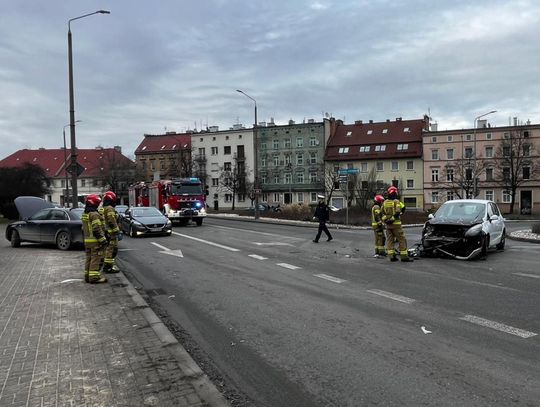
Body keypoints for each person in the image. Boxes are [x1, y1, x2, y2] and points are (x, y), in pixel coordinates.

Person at [81, 194, 108, 283]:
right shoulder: (94, 214)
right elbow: (96, 229)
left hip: (87, 241)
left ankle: (87, 276)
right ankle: (94, 277)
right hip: (95, 242)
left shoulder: (85, 214)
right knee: (95, 258)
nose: (98, 205)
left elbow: (83, 228)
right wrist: (103, 240)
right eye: (98, 203)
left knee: (89, 258)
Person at [382, 186, 412, 262]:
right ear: (395, 193)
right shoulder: (396, 201)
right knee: (401, 239)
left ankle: (392, 256)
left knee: (390, 240)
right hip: (396, 224)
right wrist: (393, 219)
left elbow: (382, 213)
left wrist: (386, 220)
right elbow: (398, 211)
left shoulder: (385, 202)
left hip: (388, 225)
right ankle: (404, 256)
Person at [102, 190, 121, 273]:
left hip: (107, 232)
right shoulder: (109, 208)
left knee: (110, 250)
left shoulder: (104, 208)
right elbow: (111, 220)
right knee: (112, 250)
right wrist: (117, 230)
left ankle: (109, 266)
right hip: (111, 233)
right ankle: (108, 267)